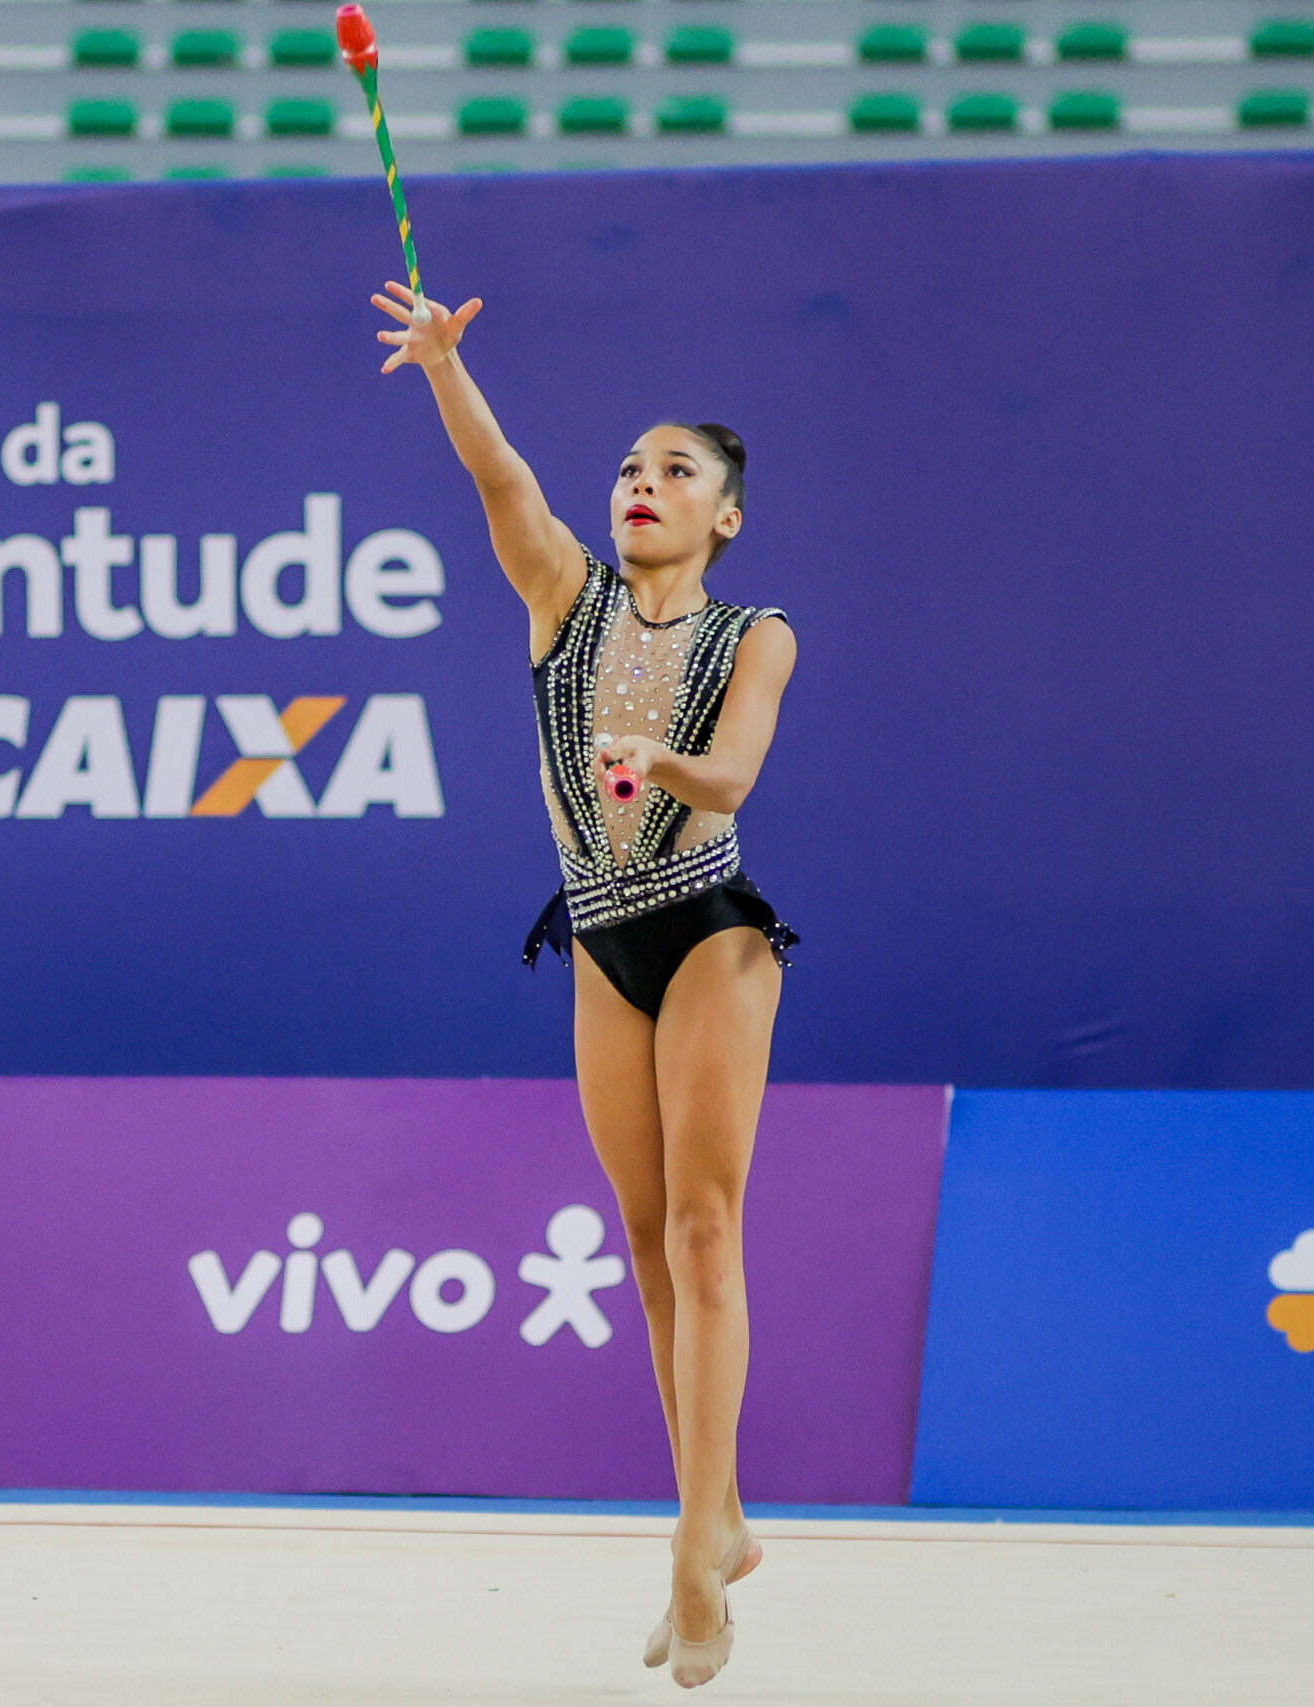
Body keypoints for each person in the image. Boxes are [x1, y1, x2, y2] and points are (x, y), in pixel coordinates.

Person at [373, 283, 796, 1691]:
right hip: (602, 938)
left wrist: (668, 769)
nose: (642, 485)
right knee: (638, 1236)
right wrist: (447, 367)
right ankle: (716, 1517)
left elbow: (732, 775)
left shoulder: (757, 636)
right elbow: (501, 474)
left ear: (724, 515)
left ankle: (692, 1565)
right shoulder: (562, 597)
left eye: (676, 471)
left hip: (712, 926)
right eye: (629, 466)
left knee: (703, 1226)